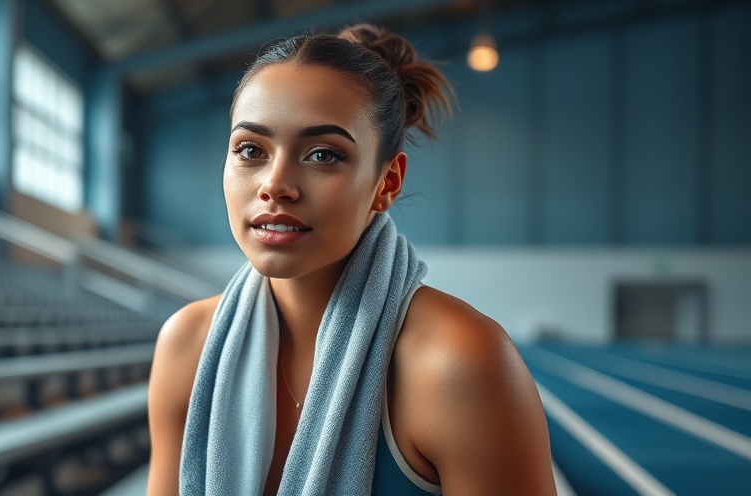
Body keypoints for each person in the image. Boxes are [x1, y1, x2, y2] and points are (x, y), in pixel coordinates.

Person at [147, 24, 556, 496]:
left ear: (387, 182)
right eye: (251, 149)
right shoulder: (186, 344)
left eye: (323, 155)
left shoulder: (459, 362)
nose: (275, 184)